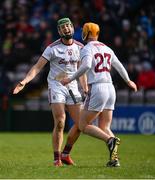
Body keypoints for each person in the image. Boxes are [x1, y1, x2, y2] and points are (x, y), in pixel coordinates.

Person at [13, 17, 88, 167]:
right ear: (59, 31)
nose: (66, 29)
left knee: (81, 124)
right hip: (56, 86)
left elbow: (82, 71)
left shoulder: (80, 47)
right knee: (60, 121)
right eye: (63, 28)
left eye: (68, 26)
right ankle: (57, 158)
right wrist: (24, 81)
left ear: (72, 28)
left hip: (73, 88)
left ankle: (66, 153)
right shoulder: (52, 48)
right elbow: (37, 67)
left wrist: (85, 88)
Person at [61, 22, 137, 167]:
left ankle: (110, 140)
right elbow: (119, 65)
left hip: (97, 87)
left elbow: (87, 65)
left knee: (83, 125)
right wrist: (128, 81)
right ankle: (115, 159)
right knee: (105, 127)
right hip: (110, 88)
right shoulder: (107, 48)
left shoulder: (86, 48)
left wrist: (70, 79)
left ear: (86, 33)